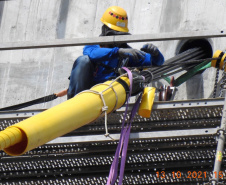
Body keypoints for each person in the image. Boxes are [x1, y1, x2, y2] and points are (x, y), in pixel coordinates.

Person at [56, 6, 164, 99]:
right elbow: (92, 54)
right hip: (85, 94)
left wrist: (156, 54)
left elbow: (156, 62)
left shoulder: (126, 54)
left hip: (109, 98)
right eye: (114, 34)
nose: (116, 39)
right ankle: (76, 102)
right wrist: (118, 52)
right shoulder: (93, 46)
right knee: (83, 61)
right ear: (105, 31)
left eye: (120, 35)